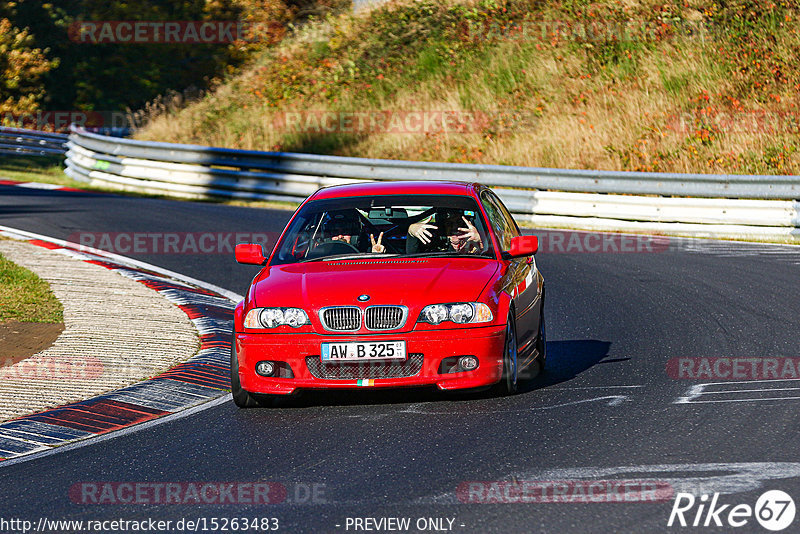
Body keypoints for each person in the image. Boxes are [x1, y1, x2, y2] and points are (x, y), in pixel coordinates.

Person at [406, 210, 483, 254]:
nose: (455, 227)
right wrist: (411, 231)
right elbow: (412, 256)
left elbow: (491, 257)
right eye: (449, 224)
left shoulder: (475, 244)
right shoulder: (433, 246)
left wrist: (480, 240)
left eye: (459, 222)